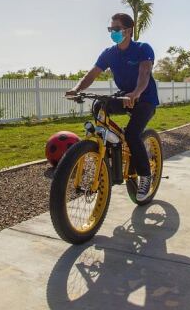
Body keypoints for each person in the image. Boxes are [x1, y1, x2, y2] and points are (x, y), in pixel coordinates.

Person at [66, 13, 159, 201]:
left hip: (145, 98)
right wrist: (77, 89)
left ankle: (145, 175)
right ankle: (110, 145)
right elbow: (92, 74)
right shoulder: (109, 53)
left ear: (129, 30)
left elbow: (144, 73)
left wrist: (136, 93)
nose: (113, 32)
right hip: (125, 96)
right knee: (100, 105)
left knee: (133, 134)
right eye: (111, 29)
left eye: (116, 29)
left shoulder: (142, 48)